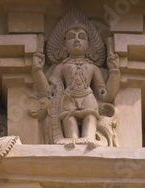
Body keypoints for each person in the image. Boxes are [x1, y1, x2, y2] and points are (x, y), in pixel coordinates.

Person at [32, 9, 120, 146]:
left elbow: (104, 94)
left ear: (89, 46)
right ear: (64, 46)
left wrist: (114, 70)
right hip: (68, 98)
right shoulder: (60, 67)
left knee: (90, 116)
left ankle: (89, 138)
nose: (77, 40)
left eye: (82, 37)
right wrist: (37, 70)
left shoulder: (93, 67)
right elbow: (50, 92)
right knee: (68, 117)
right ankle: (71, 139)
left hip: (88, 97)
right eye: (72, 37)